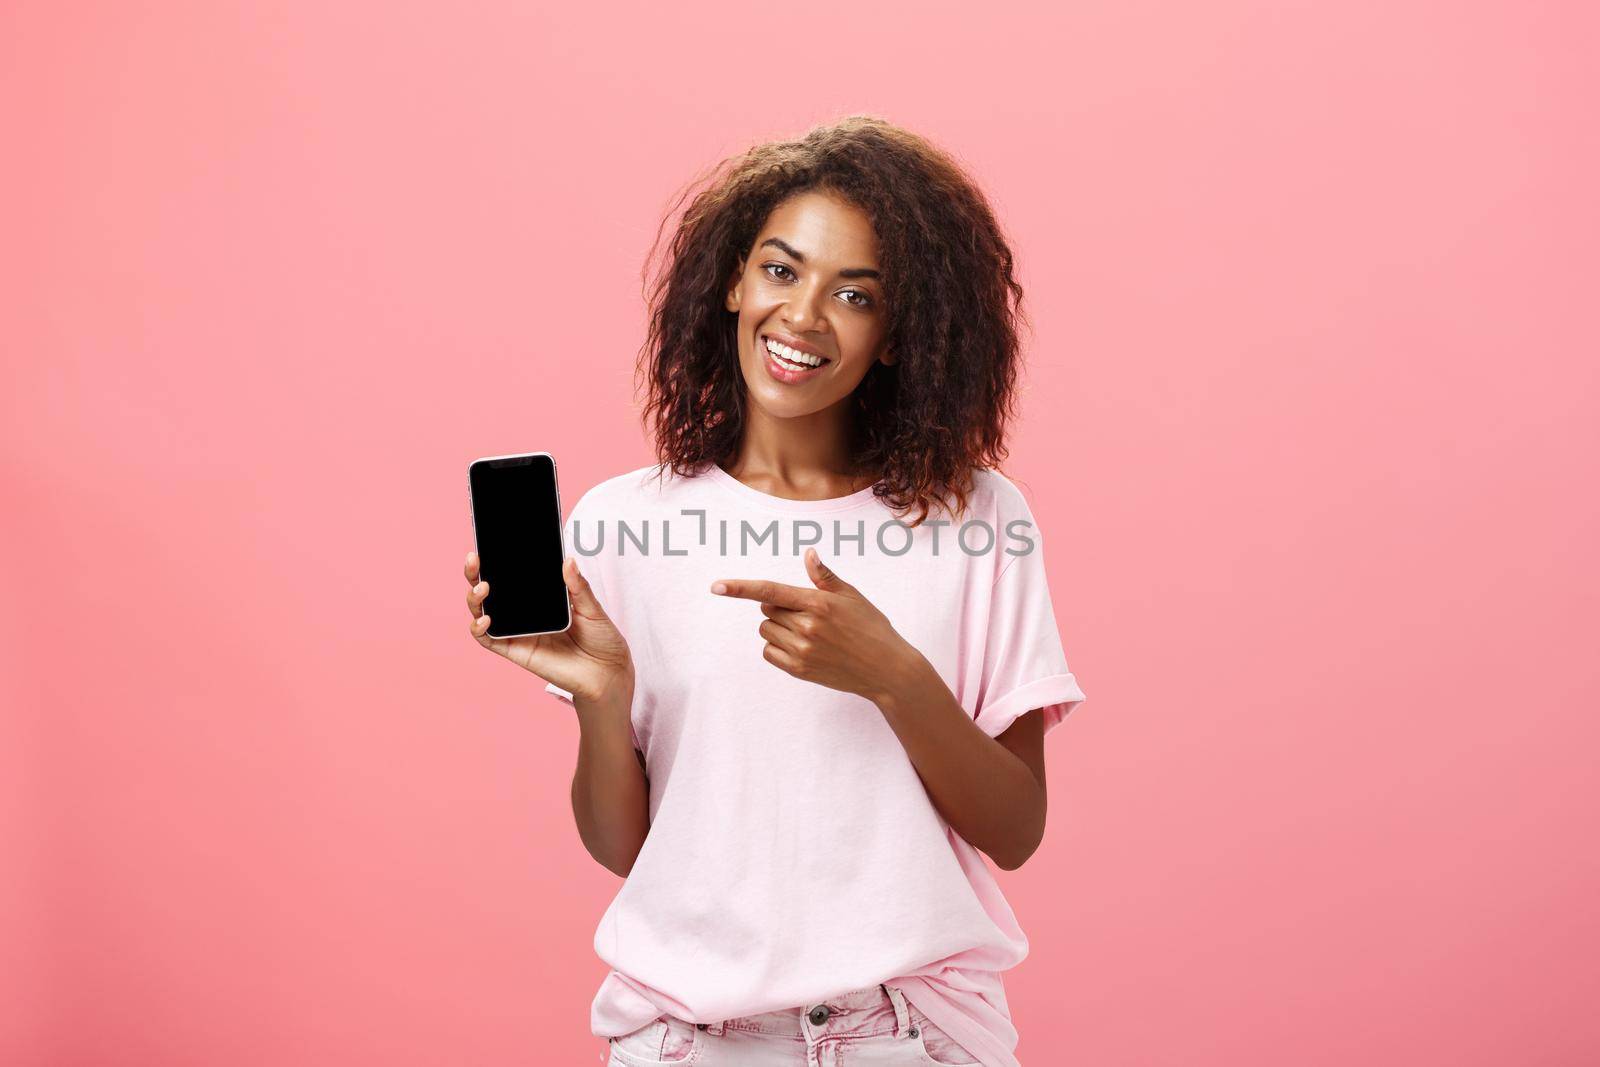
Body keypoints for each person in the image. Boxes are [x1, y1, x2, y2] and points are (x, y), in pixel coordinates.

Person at [463, 115, 1088, 1067]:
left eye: (855, 294)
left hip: (909, 1037)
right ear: (731, 281)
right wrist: (602, 699)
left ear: (894, 337)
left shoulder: (977, 518)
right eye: (782, 270)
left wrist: (893, 676)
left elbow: (1016, 831)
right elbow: (629, 850)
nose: (802, 317)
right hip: (686, 1037)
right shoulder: (624, 521)